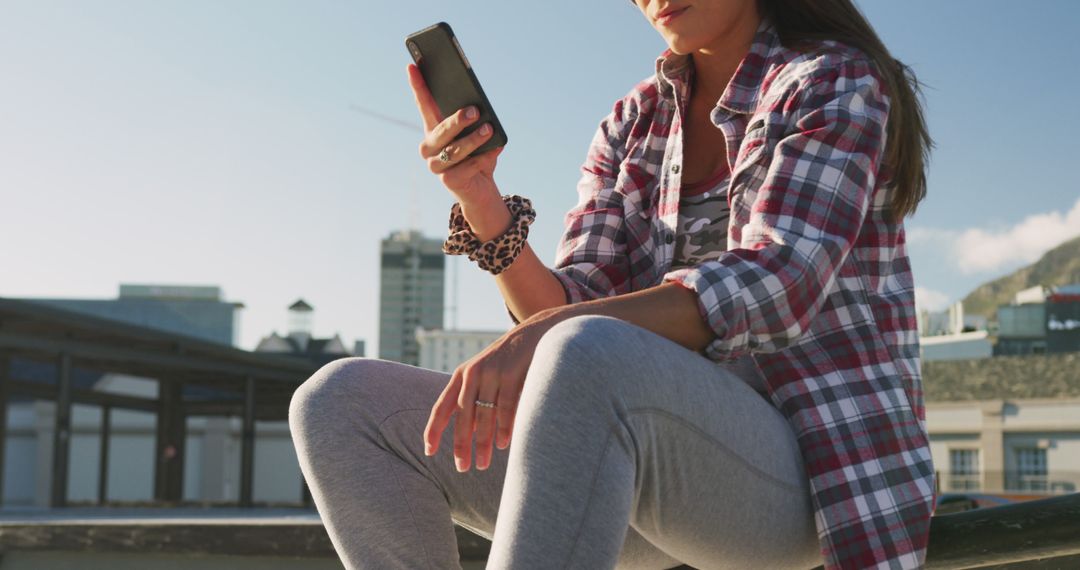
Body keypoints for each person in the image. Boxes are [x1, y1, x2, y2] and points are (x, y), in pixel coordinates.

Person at [289, 0, 937, 568]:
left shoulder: (830, 77)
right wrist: (481, 197)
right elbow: (570, 304)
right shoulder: (634, 122)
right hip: (629, 467)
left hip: (809, 471)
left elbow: (782, 279)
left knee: (584, 348)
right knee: (340, 402)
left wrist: (553, 333)